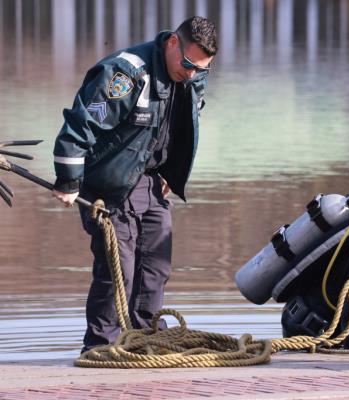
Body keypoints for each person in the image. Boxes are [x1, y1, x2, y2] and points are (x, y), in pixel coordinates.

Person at [51, 16, 218, 352]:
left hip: (152, 184)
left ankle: (144, 340)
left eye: (201, 69)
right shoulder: (124, 76)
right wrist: (69, 181)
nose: (191, 74)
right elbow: (79, 127)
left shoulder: (191, 77)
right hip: (110, 189)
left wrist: (169, 172)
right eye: (187, 64)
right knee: (118, 272)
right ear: (173, 42)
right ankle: (101, 346)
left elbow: (177, 126)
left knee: (155, 267)